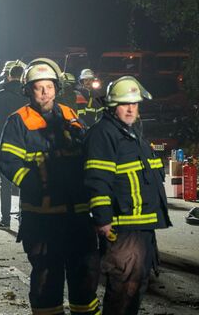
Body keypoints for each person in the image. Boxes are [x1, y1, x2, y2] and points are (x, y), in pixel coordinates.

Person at [0, 58, 100, 315]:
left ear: (56, 88)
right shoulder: (18, 121)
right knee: (46, 281)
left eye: (49, 87)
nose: (44, 93)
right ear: (28, 90)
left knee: (85, 278)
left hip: (77, 216)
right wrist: (36, 185)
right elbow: (8, 162)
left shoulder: (70, 115)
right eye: (38, 87)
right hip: (42, 218)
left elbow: (86, 152)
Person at [83, 76, 171, 314]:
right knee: (123, 291)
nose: (131, 108)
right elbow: (97, 179)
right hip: (122, 228)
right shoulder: (104, 134)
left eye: (134, 103)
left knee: (135, 289)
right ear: (113, 106)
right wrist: (103, 220)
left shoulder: (133, 135)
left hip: (141, 226)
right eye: (124, 103)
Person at [0, 63, 28, 229]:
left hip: (5, 145)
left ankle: (5, 221)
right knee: (25, 182)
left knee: (6, 184)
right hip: (25, 145)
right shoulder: (29, 96)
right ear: (23, 77)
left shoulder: (0, 96)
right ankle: (24, 219)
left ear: (8, 76)